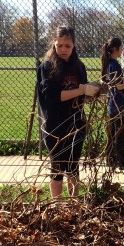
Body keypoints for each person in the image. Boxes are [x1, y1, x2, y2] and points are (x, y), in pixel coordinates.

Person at [37, 26, 101, 198]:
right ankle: (56, 206)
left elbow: (81, 95)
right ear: (53, 45)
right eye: (59, 45)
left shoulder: (79, 67)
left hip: (76, 123)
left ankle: (73, 204)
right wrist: (81, 90)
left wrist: (94, 93)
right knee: (57, 166)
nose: (63, 49)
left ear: (74, 46)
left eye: (67, 45)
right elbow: (53, 97)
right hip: (55, 125)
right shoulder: (47, 67)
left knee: (73, 166)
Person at [100, 37, 124, 170]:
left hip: (113, 104)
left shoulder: (110, 63)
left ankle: (110, 158)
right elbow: (118, 85)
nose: (122, 49)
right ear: (115, 49)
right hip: (119, 104)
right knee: (119, 134)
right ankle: (121, 161)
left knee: (113, 132)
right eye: (121, 47)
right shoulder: (114, 64)